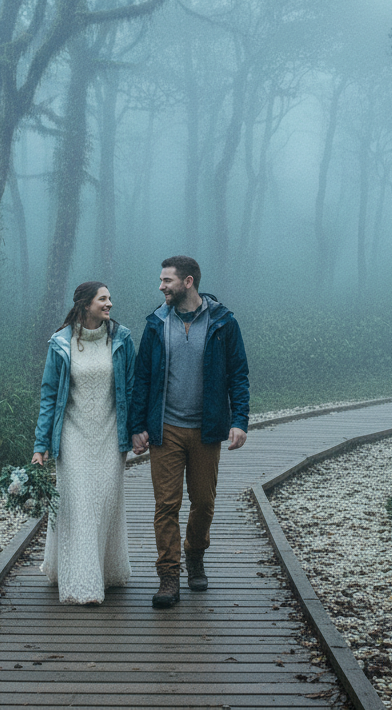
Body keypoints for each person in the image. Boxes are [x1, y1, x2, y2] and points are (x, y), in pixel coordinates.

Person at [129, 255, 249, 608]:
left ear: (188, 282)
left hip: (206, 429)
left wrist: (239, 420)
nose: (161, 286)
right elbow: (143, 378)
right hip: (165, 429)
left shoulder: (223, 323)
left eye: (167, 280)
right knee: (166, 505)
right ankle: (169, 575)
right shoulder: (155, 324)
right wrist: (138, 426)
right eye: (161, 280)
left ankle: (195, 554)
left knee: (204, 502)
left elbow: (238, 374)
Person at [33, 281, 136, 605]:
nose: (109, 303)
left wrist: (137, 431)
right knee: (78, 508)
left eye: (109, 297)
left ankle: (106, 571)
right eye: (103, 299)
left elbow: (132, 391)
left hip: (109, 436)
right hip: (73, 437)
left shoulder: (122, 339)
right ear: (86, 304)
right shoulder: (61, 343)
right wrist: (41, 445)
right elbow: (49, 396)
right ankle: (83, 584)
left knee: (104, 506)